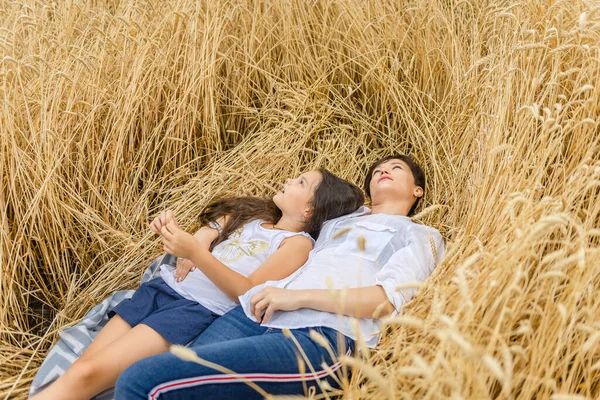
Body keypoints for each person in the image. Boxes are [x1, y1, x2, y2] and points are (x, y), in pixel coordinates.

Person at [114, 154, 445, 400]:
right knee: (180, 382)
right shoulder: (342, 219)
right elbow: (273, 212)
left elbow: (385, 301)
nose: (383, 170)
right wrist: (207, 233)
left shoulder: (420, 235)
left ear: (417, 191)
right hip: (257, 314)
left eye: (395, 168)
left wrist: (297, 297)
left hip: (323, 336)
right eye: (377, 170)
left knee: (142, 381)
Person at [30, 169, 364, 400]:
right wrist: (188, 237)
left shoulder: (297, 244)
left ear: (309, 209)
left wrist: (195, 252)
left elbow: (246, 291)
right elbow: (211, 228)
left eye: (301, 182)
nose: (290, 179)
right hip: (160, 290)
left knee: (90, 376)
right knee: (82, 371)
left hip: (192, 311)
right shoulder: (253, 215)